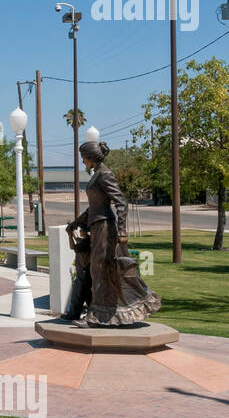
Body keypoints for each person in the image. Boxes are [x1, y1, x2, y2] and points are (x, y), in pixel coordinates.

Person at [64, 140, 161, 326]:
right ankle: (97, 312)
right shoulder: (97, 174)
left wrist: (122, 231)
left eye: (83, 157)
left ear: (90, 157)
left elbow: (121, 203)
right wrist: (76, 223)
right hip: (96, 225)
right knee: (96, 271)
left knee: (99, 271)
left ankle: (96, 317)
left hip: (104, 228)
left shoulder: (105, 174)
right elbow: (94, 207)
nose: (82, 161)